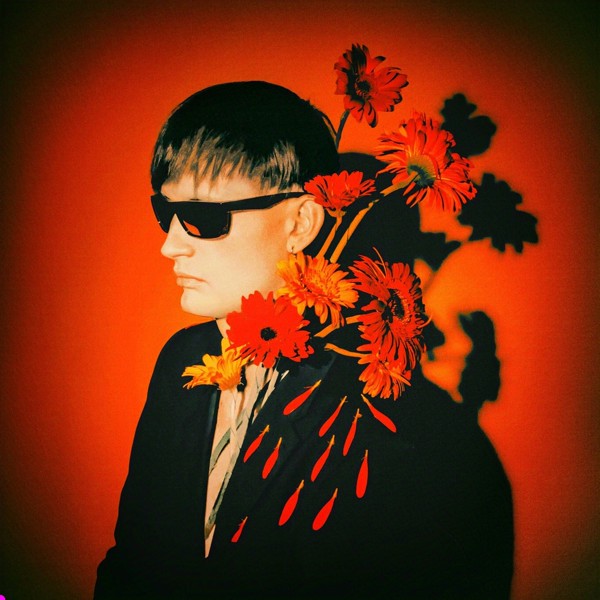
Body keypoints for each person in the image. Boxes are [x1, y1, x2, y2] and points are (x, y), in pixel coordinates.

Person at [95, 81, 513, 599]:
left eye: (203, 217)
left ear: (301, 223)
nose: (169, 245)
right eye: (166, 212)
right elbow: (133, 560)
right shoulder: (180, 358)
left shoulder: (382, 422)